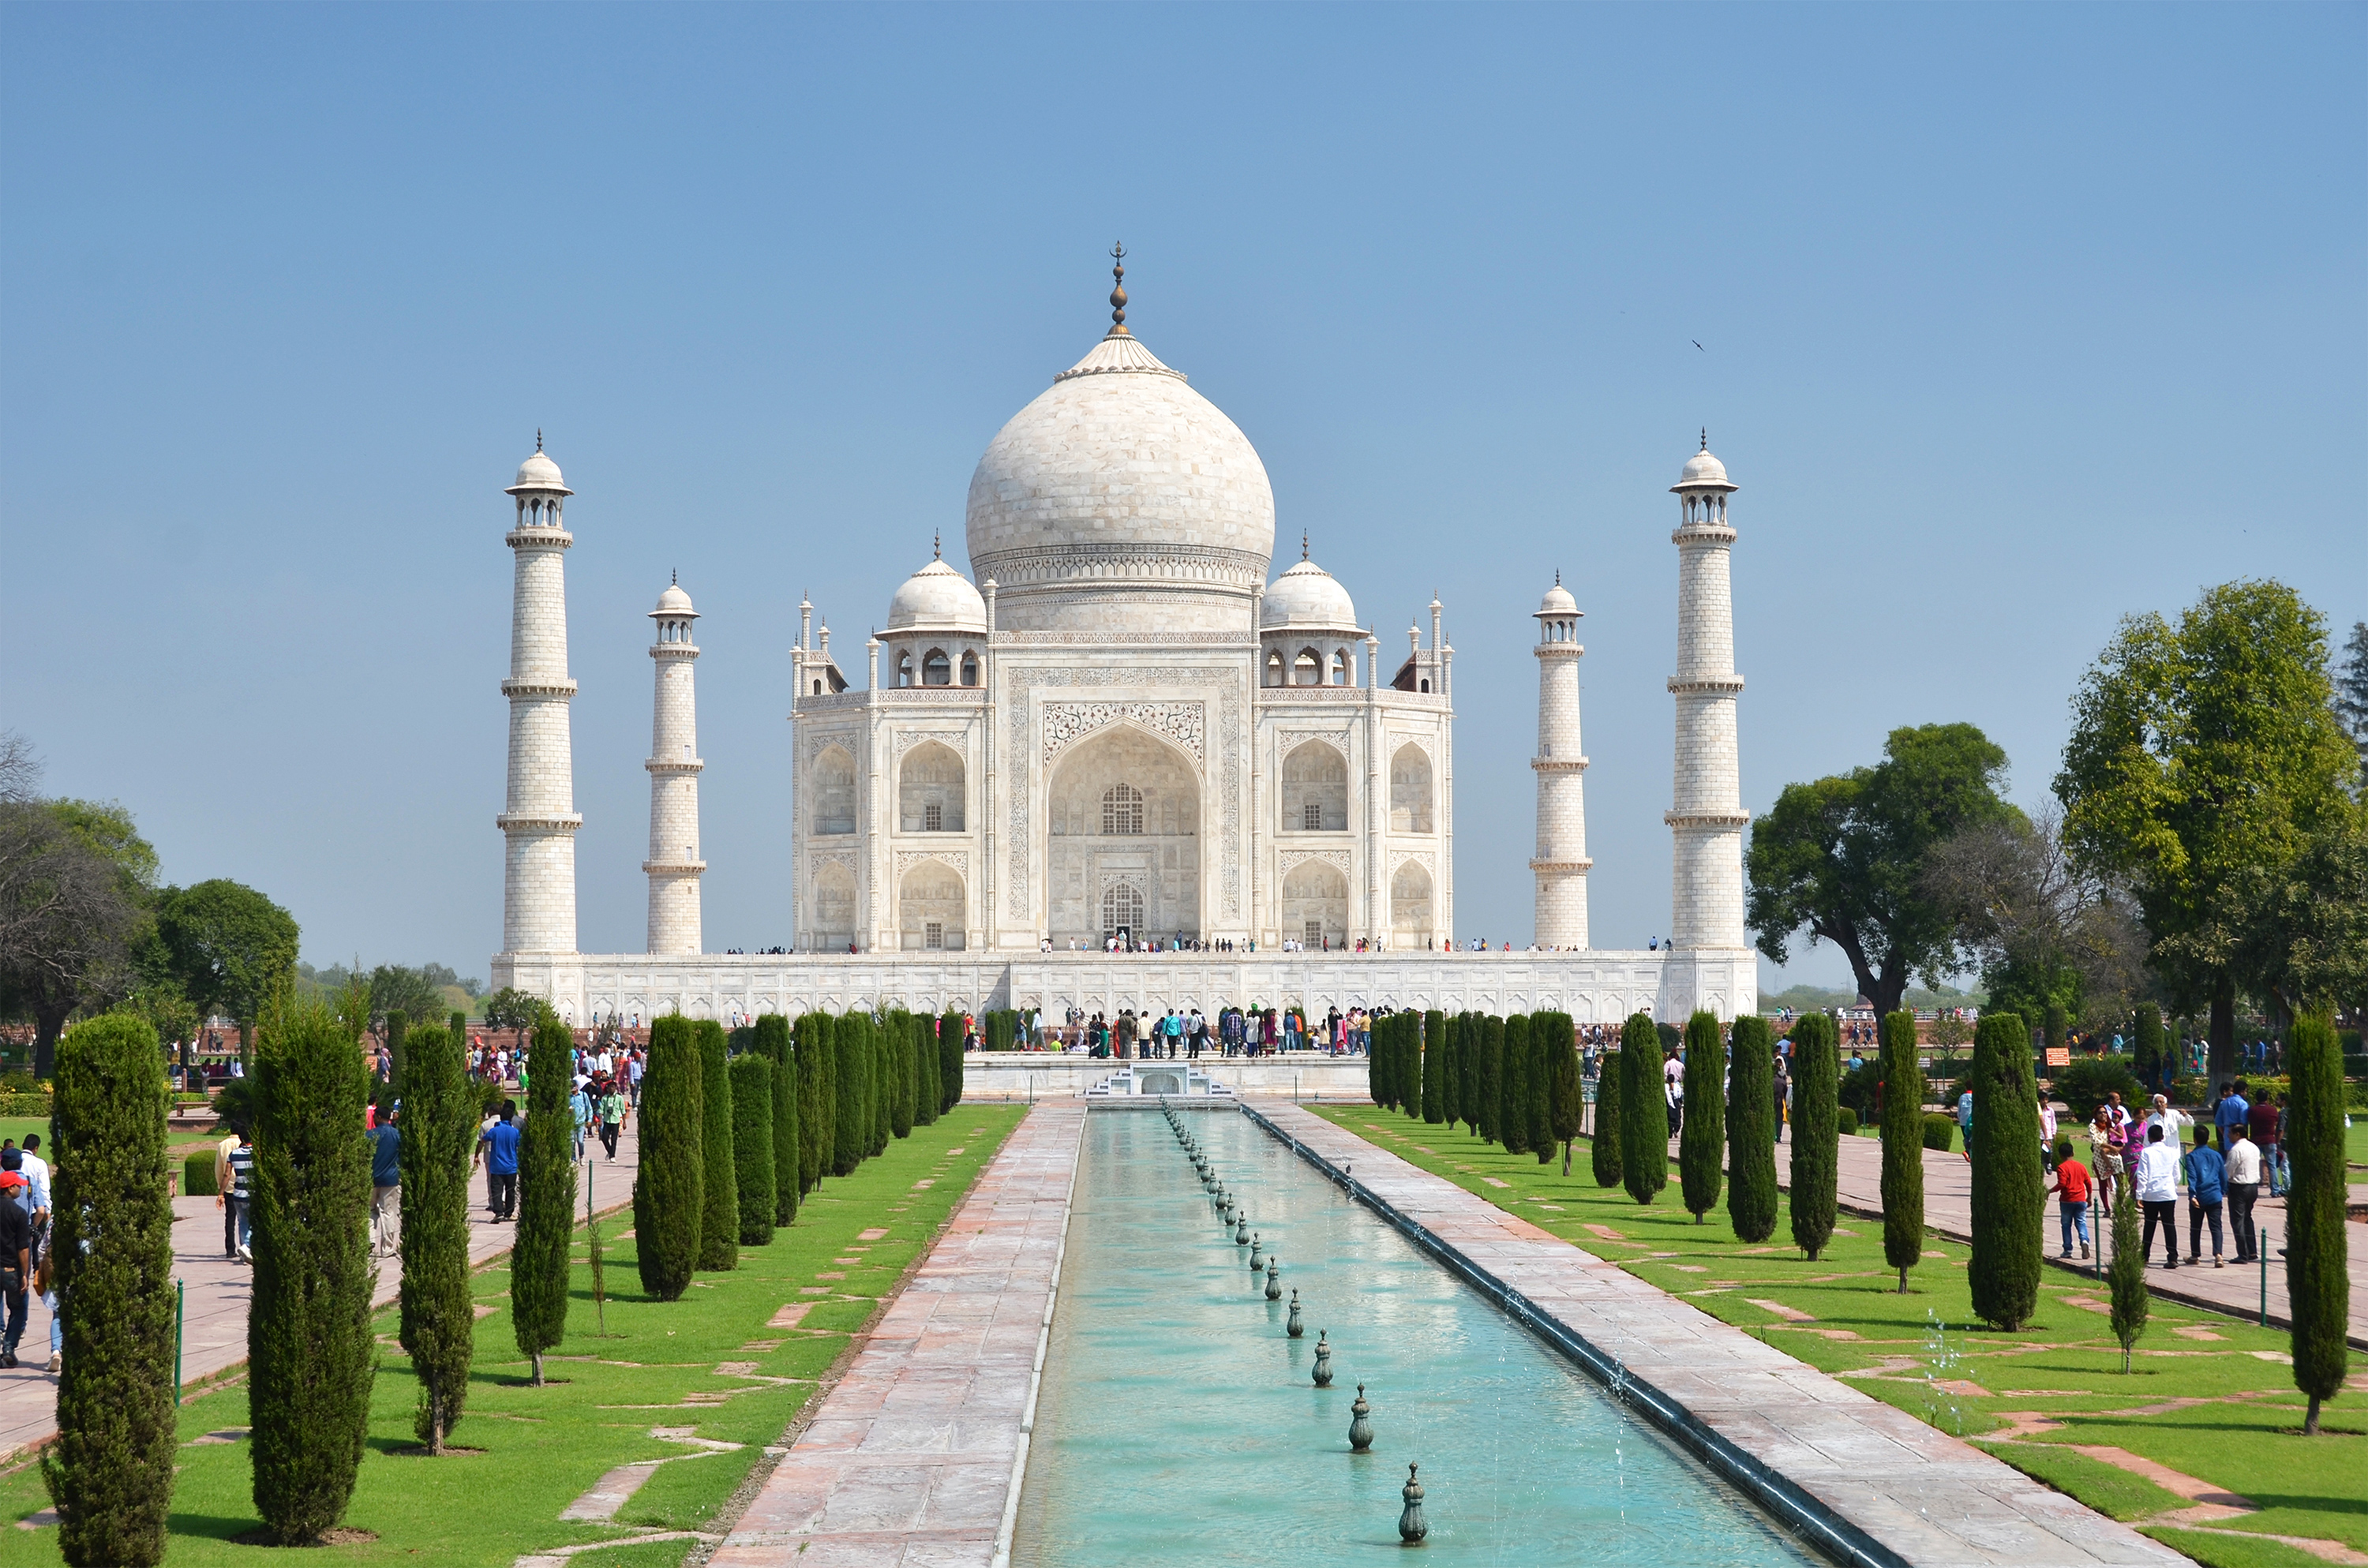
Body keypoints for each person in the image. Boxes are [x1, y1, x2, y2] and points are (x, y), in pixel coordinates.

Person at [2134, 1123, 2183, 1269]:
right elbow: (2177, 1175)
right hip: (2168, 1193)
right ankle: (2173, 1256)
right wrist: (2172, 1187)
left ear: (2149, 1137)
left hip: (2151, 1194)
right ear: (2162, 1136)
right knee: (2169, 1225)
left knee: (2149, 1225)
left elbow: (2142, 1175)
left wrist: (2139, 1195)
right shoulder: (2172, 1152)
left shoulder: (2146, 1152)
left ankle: (2145, 1256)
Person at [2182, 1124, 2227, 1267]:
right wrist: (2223, 1190)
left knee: (2196, 1226)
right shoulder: (2217, 1155)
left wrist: (2192, 1195)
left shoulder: (2192, 1157)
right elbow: (2223, 1176)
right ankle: (2218, 1255)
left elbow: (2192, 1177)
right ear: (2208, 1138)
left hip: (2199, 1195)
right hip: (2214, 1195)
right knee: (2216, 1227)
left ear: (2194, 1139)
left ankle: (2195, 1255)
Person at [0, 1164, 30, 1369]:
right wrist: (25, 1274)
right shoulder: (19, 1213)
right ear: (9, 1188)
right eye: (18, 1186)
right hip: (11, 1269)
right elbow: (23, 1248)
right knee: (18, 1308)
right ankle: (8, 1347)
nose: (21, 1189)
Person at [477, 1100, 523, 1221]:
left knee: (497, 1190)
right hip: (511, 1165)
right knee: (510, 1190)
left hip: (497, 1166)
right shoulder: (515, 1132)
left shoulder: (495, 1130)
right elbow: (520, 1144)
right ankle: (509, 1212)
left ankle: (498, 1213)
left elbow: (483, 1139)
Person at [2224, 1121, 2261, 1264]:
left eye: (2230, 1133)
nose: (2228, 1136)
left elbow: (2229, 1170)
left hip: (2239, 1187)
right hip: (2253, 1186)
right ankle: (2252, 1251)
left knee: (2238, 1220)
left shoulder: (2236, 1150)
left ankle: (2243, 1253)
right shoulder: (2254, 1147)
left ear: (2237, 1134)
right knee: (2247, 1218)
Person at [368, 1106, 402, 1259]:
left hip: (371, 1179)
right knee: (388, 1213)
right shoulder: (396, 1135)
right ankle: (387, 1248)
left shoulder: (370, 1135)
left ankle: (369, 1240)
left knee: (370, 1211)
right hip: (390, 1179)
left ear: (379, 1117)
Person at [2049, 1147, 2093, 1259]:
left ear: (2060, 1155)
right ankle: (2084, 1241)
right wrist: (2089, 1197)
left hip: (2067, 1200)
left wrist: (2050, 1191)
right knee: (2081, 1223)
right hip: (2080, 1199)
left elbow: (2062, 1183)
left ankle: (2068, 1249)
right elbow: (2088, 1182)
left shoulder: (2061, 1168)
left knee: (2066, 1225)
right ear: (2073, 1153)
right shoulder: (2081, 1166)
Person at [227, 1128, 257, 1262]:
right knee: (256, 1222)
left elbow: (227, 1174)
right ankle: (247, 1246)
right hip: (252, 1193)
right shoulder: (256, 1154)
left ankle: (244, 1253)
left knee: (242, 1222)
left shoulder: (234, 1154)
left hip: (237, 1193)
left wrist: (221, 1193)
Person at [215, 1123, 244, 1257]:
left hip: (229, 1186)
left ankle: (230, 1249)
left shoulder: (223, 1144)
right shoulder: (243, 1143)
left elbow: (219, 1169)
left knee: (230, 1219)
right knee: (244, 1219)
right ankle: (245, 1246)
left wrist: (221, 1188)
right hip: (243, 1185)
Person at [2214, 1080, 2250, 1154]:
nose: (2246, 1093)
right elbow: (2244, 1121)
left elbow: (2217, 1120)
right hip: (2239, 1132)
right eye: (2246, 1091)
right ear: (2242, 1092)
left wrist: (2224, 1132)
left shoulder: (2224, 1102)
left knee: (2229, 1157)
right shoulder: (2243, 1104)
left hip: (2228, 1131)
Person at [598, 1078, 626, 1160]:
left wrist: (624, 1122)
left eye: (613, 1087)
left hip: (616, 1121)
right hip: (607, 1121)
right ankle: (610, 1152)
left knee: (614, 1139)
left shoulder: (619, 1098)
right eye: (610, 1087)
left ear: (615, 1088)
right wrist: (600, 1120)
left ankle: (612, 1156)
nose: (611, 1088)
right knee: (604, 1138)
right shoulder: (604, 1098)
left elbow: (623, 1110)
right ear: (607, 1088)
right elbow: (601, 1110)